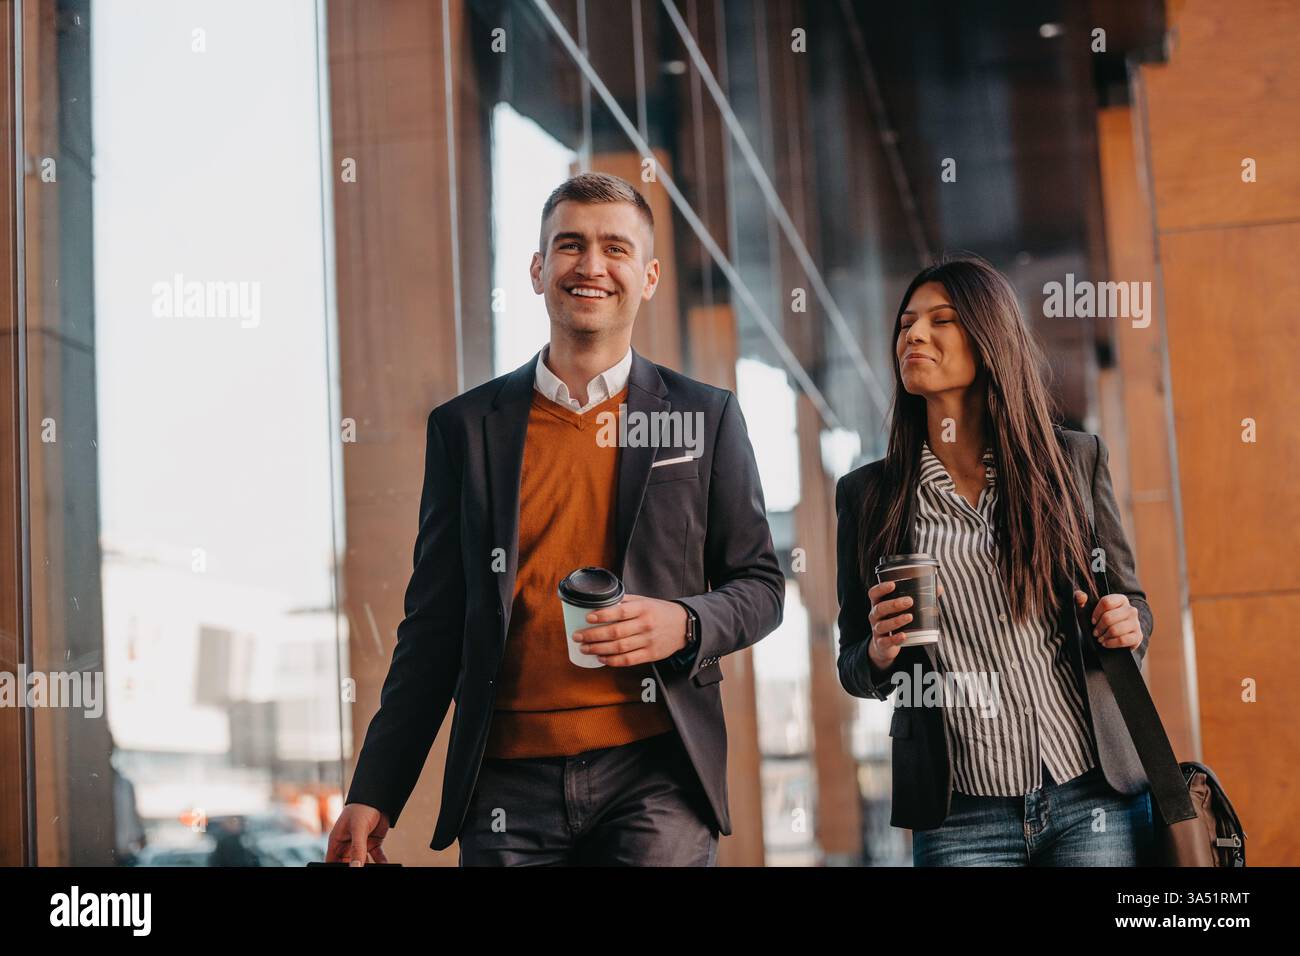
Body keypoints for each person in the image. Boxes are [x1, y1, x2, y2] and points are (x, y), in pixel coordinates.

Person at [327, 172, 783, 866]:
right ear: (539, 270)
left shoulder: (706, 415)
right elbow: (434, 625)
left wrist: (685, 623)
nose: (591, 265)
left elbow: (760, 584)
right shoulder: (465, 428)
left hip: (654, 774)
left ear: (650, 275)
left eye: (615, 249)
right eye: (570, 246)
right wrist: (376, 789)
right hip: (507, 785)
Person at [835, 254, 1155, 866]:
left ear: (989, 338)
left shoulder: (1071, 463)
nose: (914, 335)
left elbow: (1133, 605)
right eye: (905, 324)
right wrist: (878, 651)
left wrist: (1128, 622)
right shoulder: (869, 495)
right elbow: (853, 664)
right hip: (959, 812)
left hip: (1090, 790)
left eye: (941, 320)